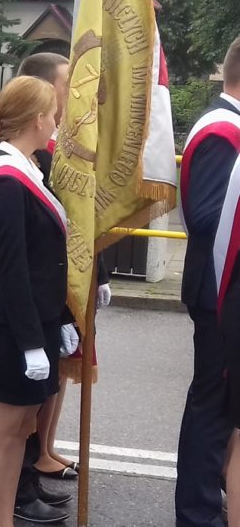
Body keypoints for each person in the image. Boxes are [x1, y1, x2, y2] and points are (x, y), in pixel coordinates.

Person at [0, 76, 74, 527]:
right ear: (37, 119)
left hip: (34, 321)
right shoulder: (7, 180)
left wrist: (63, 318)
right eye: (53, 113)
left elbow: (44, 261)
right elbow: (11, 270)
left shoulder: (28, 168)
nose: (56, 120)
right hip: (10, 328)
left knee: (19, 431)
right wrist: (33, 341)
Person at [180, 36, 240, 527]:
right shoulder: (224, 131)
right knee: (213, 406)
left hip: (225, 289)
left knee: (220, 405)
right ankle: (198, 514)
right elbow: (206, 217)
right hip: (220, 293)